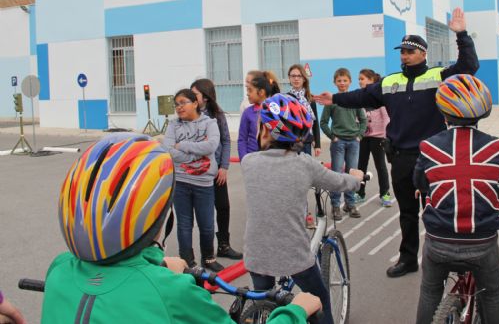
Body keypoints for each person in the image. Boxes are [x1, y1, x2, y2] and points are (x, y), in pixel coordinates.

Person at [43, 133, 319, 323]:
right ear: (161, 219)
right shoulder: (173, 293)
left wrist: (157, 264)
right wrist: (295, 312)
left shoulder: (60, 270)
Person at [314, 7, 479, 278]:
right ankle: (408, 259)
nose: (404, 55)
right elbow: (361, 96)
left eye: (410, 51)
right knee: (407, 213)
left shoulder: (438, 77)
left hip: (434, 157)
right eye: (401, 51)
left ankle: (441, 260)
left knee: (436, 211)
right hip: (401, 157)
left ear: (423, 54)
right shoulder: (390, 81)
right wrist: (335, 98)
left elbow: (469, 66)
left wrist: (461, 34)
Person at [414, 75, 499, 324]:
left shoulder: (429, 147)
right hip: (481, 241)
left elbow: (420, 181)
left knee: (430, 291)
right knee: (492, 294)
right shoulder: (495, 148)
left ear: (443, 112)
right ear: (482, 112)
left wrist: (425, 188)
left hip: (439, 240)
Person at [241, 94, 363, 324]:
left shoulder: (249, 162)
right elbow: (337, 181)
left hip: (257, 254)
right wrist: (356, 179)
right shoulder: (304, 164)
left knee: (264, 304)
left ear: (266, 131)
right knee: (318, 302)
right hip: (294, 255)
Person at [163, 89, 223, 271]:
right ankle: (187, 261)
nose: (179, 107)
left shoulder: (210, 123)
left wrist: (183, 146)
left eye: (183, 103)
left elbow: (211, 145)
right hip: (180, 181)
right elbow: (168, 151)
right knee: (184, 224)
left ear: (195, 103)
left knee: (206, 224)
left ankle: (209, 258)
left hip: (204, 183)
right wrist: (197, 155)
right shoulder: (173, 125)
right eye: (176, 105)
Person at [191, 79, 243, 260]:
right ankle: (207, 252)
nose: (192, 97)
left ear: (205, 97)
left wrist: (224, 167)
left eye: (195, 94)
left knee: (223, 207)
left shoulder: (217, 116)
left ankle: (224, 245)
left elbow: (226, 141)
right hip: (200, 172)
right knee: (204, 212)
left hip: (218, 171)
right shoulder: (191, 115)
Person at [320, 68, 367, 220]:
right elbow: (323, 122)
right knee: (336, 174)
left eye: (345, 80)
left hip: (354, 142)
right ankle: (335, 205)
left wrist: (359, 135)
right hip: (338, 142)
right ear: (335, 82)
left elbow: (363, 119)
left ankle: (350, 204)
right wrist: (332, 136)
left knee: (352, 174)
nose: (342, 83)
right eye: (339, 81)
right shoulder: (331, 101)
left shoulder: (354, 99)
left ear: (349, 82)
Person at [356, 69, 392, 207]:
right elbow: (356, 116)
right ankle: (360, 192)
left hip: (378, 138)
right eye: (359, 79)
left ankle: (385, 194)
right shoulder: (359, 97)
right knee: (361, 166)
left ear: (371, 81)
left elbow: (386, 118)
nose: (360, 81)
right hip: (363, 137)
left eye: (363, 79)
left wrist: (385, 135)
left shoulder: (379, 97)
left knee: (381, 166)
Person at [238, 70, 280, 161]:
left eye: (250, 90)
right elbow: (242, 139)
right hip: (252, 160)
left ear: (261, 92)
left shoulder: (276, 111)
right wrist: (244, 159)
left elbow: (280, 135)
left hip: (272, 161)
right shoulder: (247, 112)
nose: (247, 93)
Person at [287, 64, 322, 157]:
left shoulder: (310, 99)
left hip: (306, 141)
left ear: (304, 78)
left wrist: (317, 144)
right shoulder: (285, 98)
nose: (296, 79)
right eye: (293, 76)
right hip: (290, 142)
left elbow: (315, 123)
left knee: (306, 170)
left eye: (299, 76)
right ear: (289, 78)